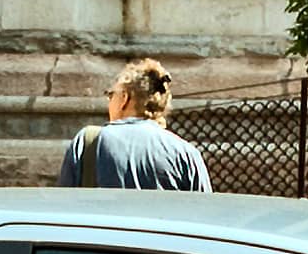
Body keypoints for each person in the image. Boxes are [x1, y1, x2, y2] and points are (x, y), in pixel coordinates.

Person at [60, 60, 211, 191]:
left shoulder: (89, 142)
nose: (109, 102)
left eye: (110, 95)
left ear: (124, 98)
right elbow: (204, 214)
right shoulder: (186, 154)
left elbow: (65, 208)